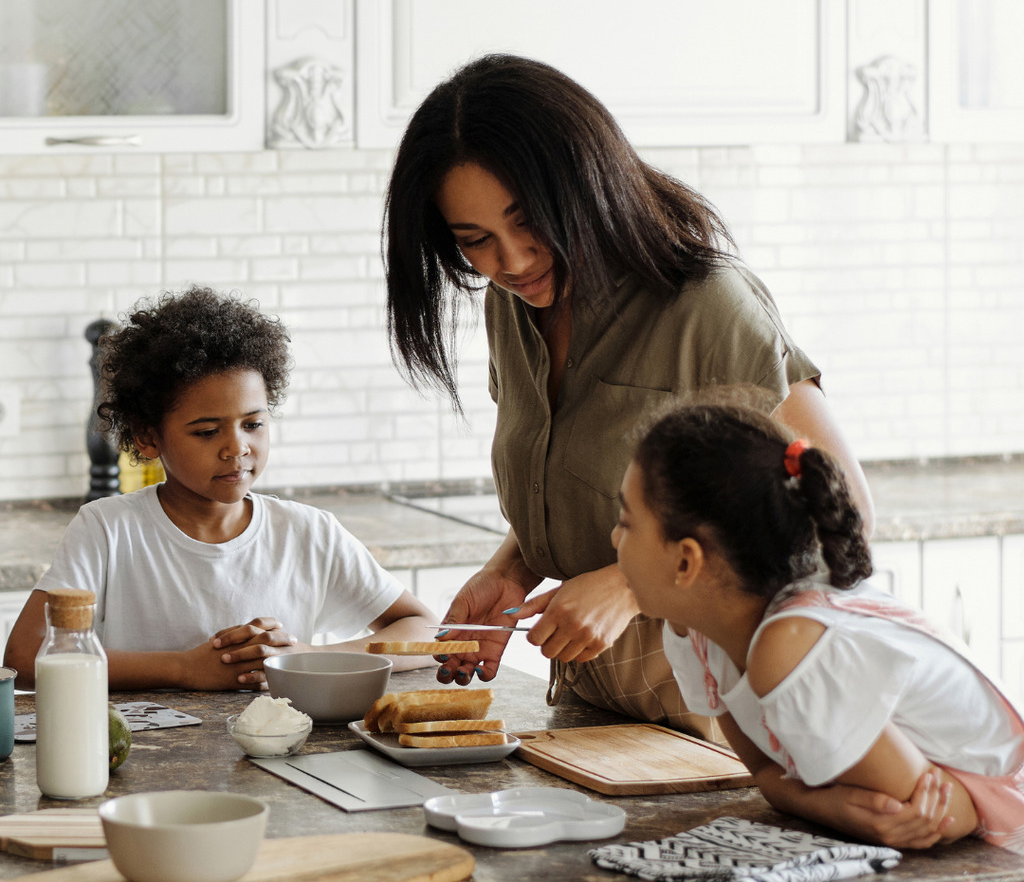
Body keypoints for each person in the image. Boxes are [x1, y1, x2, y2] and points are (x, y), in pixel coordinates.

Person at [382, 53, 874, 734]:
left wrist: (628, 588)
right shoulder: (515, 304)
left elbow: (834, 514)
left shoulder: (707, 303)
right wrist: (514, 568)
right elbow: (601, 486)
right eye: (476, 242)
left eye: (529, 222)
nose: (513, 261)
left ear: (585, 185)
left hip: (726, 725)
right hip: (598, 713)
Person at [612, 394, 1024, 853]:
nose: (613, 538)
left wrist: (822, 801)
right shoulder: (697, 631)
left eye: (626, 523)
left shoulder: (790, 646)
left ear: (687, 561)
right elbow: (769, 778)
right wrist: (832, 807)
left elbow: (932, 815)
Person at [4, 286, 437, 690]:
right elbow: (25, 655)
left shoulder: (309, 532)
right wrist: (182, 668)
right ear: (148, 437)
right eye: (208, 431)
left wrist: (306, 657)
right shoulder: (107, 529)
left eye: (253, 424)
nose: (237, 448)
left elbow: (425, 631)